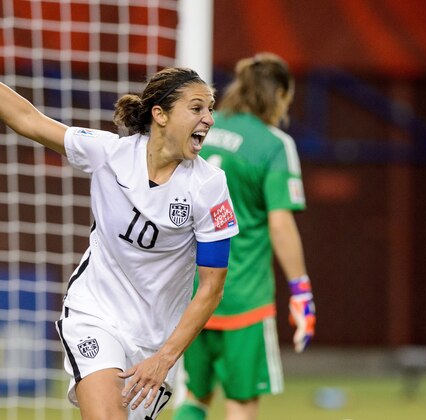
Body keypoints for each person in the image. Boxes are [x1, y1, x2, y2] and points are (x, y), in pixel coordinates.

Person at [0, 3, 239, 419]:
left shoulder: (209, 186)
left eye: (210, 109)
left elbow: (212, 287)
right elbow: (28, 119)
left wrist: (165, 357)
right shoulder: (109, 152)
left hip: (154, 341)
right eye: (197, 108)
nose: (208, 118)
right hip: (96, 313)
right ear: (160, 115)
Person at [173, 52, 316, 420]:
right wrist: (300, 291)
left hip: (190, 294)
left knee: (195, 396)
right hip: (243, 298)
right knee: (241, 403)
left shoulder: (203, 126)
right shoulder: (273, 144)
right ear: (279, 95)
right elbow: (280, 223)